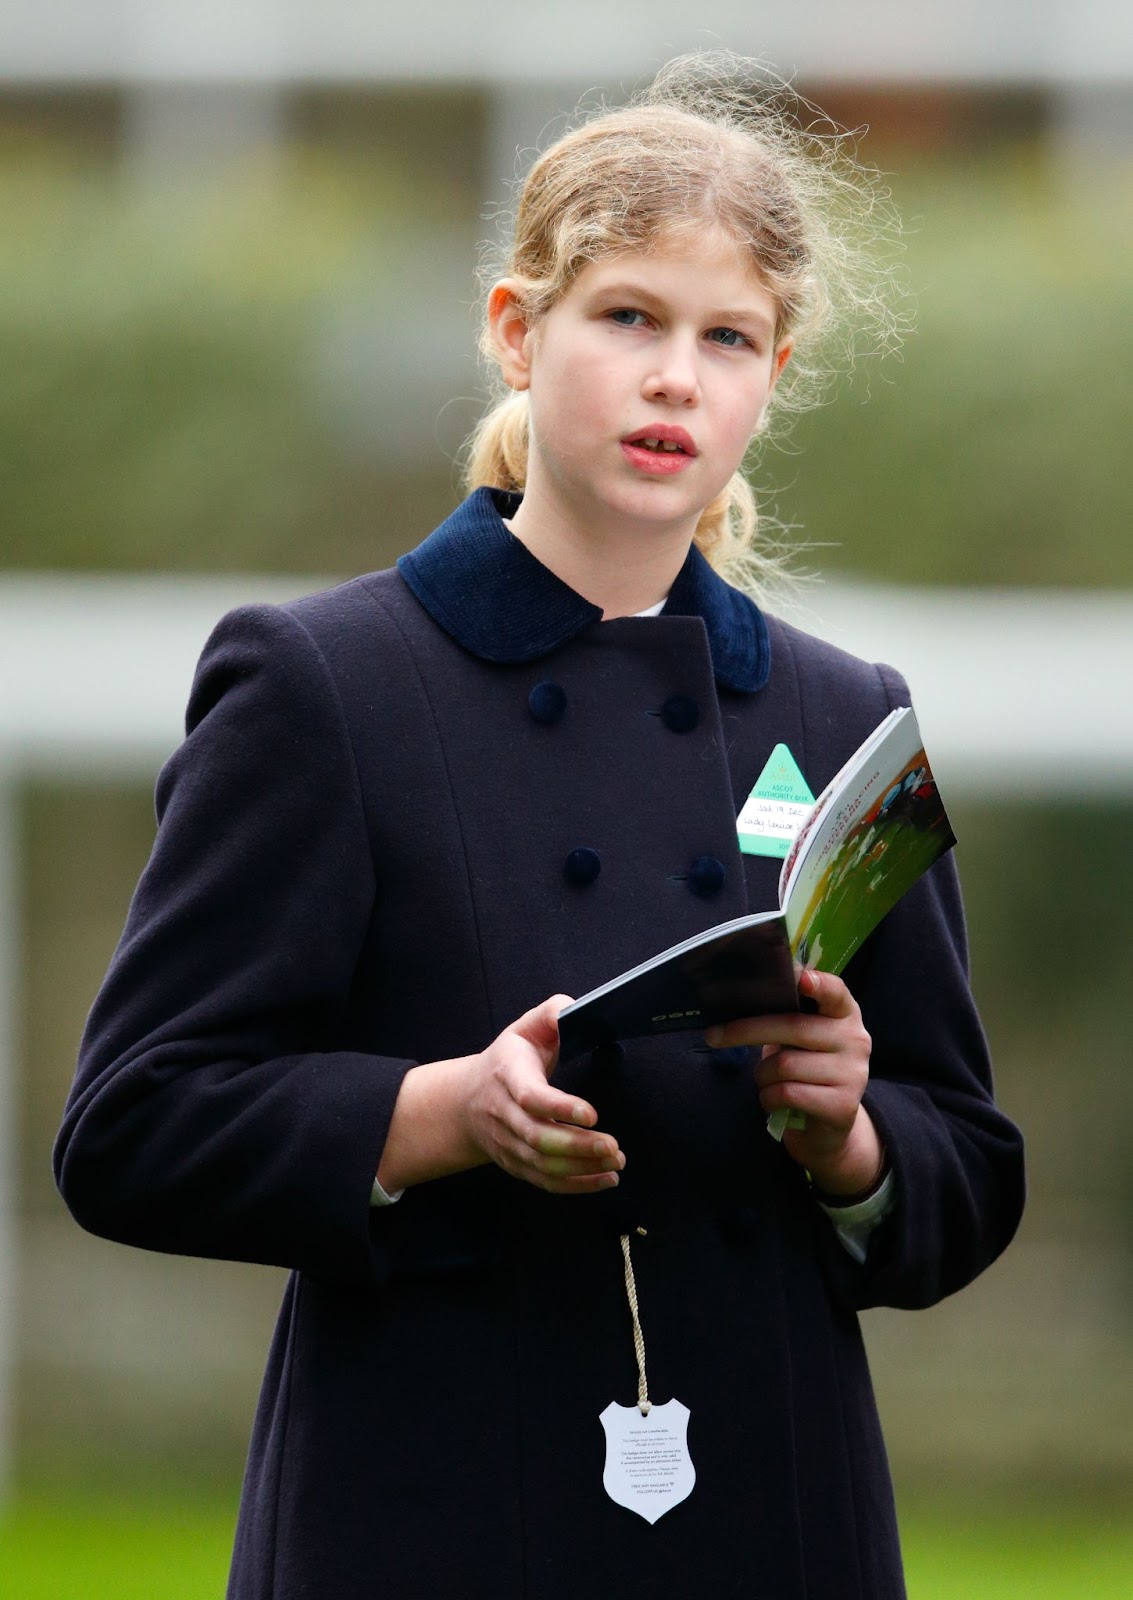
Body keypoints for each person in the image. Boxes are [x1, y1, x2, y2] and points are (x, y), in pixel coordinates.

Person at [55, 54, 1024, 1600]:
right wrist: (447, 1113)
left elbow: (965, 1162)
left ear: (774, 374)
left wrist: (851, 1132)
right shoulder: (324, 683)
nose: (672, 377)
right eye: (626, 316)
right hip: (427, 1502)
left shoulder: (845, 715)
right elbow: (135, 1128)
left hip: (776, 1512)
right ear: (518, 331)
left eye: (728, 338)